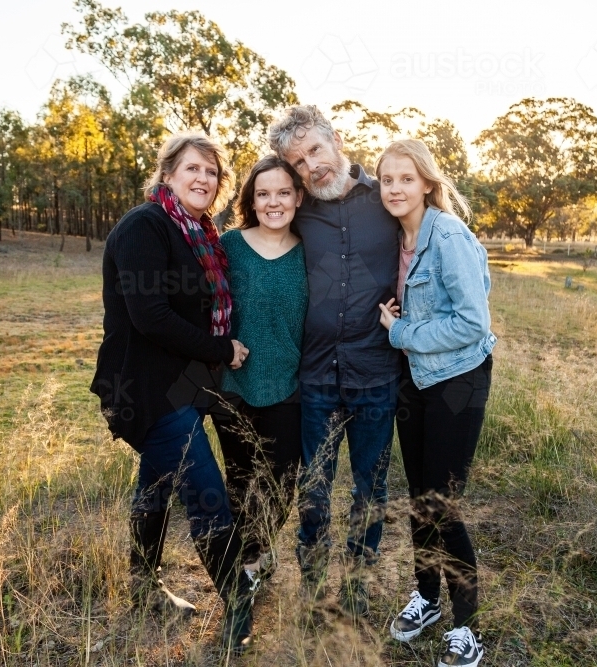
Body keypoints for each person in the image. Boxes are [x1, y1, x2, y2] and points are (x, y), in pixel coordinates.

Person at [89, 132, 254, 655]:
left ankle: (142, 586)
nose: (203, 178)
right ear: (167, 174)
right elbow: (150, 316)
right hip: (144, 386)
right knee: (204, 490)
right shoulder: (147, 225)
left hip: (183, 386)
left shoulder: (198, 234)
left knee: (156, 484)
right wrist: (221, 348)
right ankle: (240, 603)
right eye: (192, 169)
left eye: (212, 172)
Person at [267, 105, 401, 617]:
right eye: (297, 162)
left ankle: (359, 586)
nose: (311, 166)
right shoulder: (296, 209)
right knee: (315, 486)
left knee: (371, 484)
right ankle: (313, 586)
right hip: (318, 375)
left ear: (336, 140)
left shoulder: (386, 198)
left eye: (315, 150)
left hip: (376, 372)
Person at [376, 139, 496, 667]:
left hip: (457, 379)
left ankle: (466, 627)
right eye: (386, 180)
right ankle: (425, 597)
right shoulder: (398, 237)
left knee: (442, 504)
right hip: (415, 378)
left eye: (406, 178)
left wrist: (402, 330)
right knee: (419, 497)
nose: (395, 188)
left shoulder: (448, 235)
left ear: (427, 182)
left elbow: (474, 322)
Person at [212, 155, 308, 587]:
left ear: (298, 197)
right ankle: (249, 566)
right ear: (251, 199)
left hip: (289, 385)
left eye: (283, 192)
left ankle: (257, 552)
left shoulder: (311, 252)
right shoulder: (229, 245)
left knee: (280, 482)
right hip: (234, 385)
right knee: (239, 481)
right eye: (263, 193)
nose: (274, 202)